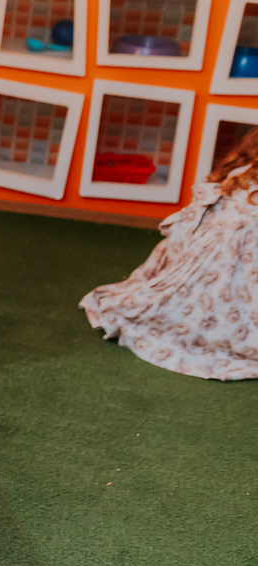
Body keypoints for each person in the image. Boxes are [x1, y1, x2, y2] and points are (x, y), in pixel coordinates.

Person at [80, 126, 258, 381]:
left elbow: (189, 230)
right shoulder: (245, 182)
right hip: (235, 273)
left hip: (208, 262)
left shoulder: (235, 175)